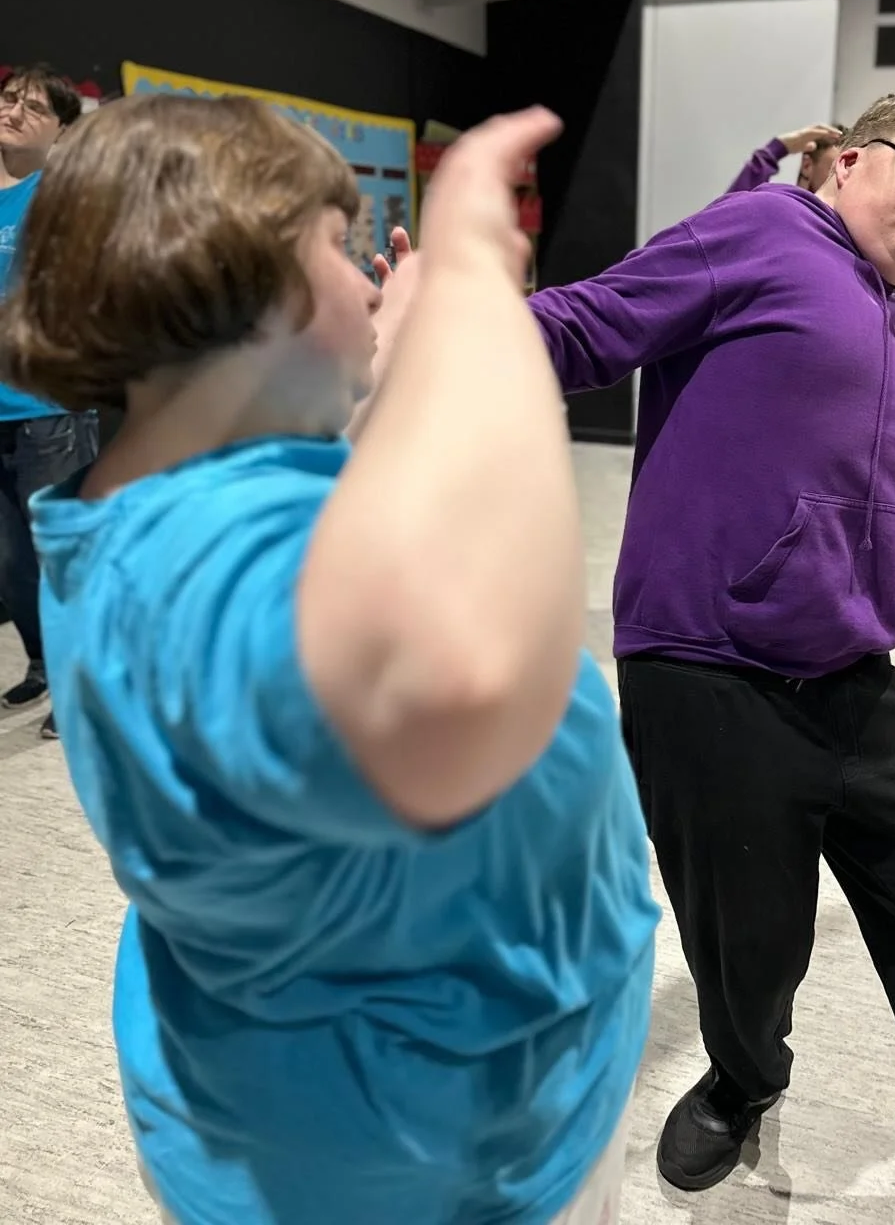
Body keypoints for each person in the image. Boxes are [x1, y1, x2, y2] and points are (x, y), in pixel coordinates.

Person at [3, 96, 658, 1225]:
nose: (370, 280)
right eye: (342, 245)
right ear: (230, 270)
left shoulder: (178, 492)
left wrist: (396, 364)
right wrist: (471, 300)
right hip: (410, 1164)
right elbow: (462, 686)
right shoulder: (188, 561)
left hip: (426, 1099)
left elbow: (359, 534)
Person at [527, 91, 895, 1225]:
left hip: (851, 670)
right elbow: (583, 326)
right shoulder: (758, 233)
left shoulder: (876, 301)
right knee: (746, 944)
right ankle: (744, 1078)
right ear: (849, 160)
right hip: (710, 668)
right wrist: (436, 321)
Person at [0, 63, 100, 738]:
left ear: (62, 128)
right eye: (9, 97)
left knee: (63, 559)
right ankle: (41, 664)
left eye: (35, 106)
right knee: (11, 566)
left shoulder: (65, 194)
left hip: (50, 407)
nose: (14, 110)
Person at [725, 122, 844, 194]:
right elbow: (727, 217)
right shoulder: (773, 210)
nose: (843, 178)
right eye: (835, 170)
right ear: (807, 166)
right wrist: (774, 150)